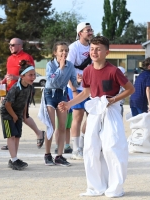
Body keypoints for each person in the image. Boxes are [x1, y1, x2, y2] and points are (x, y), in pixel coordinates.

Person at [58, 36, 135, 197]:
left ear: (107, 52)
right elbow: (85, 93)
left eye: (98, 49)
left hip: (111, 110)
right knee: (90, 148)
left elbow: (130, 89)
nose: (94, 52)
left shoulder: (114, 71)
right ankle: (96, 187)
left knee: (111, 147)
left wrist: (113, 100)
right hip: (94, 110)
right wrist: (69, 104)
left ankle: (116, 187)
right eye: (92, 49)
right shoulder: (87, 71)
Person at [0, 38, 44, 150]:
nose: (10, 47)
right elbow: (8, 73)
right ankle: (11, 140)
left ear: (20, 45)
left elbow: (31, 74)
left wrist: (16, 77)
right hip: (11, 90)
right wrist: (4, 80)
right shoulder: (10, 58)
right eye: (9, 45)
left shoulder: (26, 57)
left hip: (23, 90)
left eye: (13, 45)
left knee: (23, 116)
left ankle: (39, 133)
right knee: (9, 115)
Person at [43, 42, 82, 166]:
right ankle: (47, 154)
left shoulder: (70, 65)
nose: (64, 53)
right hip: (50, 94)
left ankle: (59, 156)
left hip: (62, 94)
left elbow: (73, 82)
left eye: (66, 50)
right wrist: (60, 67)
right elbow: (52, 81)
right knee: (51, 126)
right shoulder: (50, 64)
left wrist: (79, 81)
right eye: (61, 51)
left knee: (63, 126)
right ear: (55, 52)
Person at [0, 60, 36, 170]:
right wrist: (14, 116)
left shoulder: (30, 87)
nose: (33, 77)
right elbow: (7, 104)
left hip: (18, 113)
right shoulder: (15, 88)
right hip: (7, 113)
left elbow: (25, 102)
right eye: (30, 75)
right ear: (22, 76)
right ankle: (14, 159)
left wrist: (24, 115)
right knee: (11, 135)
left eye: (34, 75)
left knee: (17, 136)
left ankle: (13, 159)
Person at [67, 22, 93, 160]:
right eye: (87, 30)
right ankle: (75, 149)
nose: (90, 32)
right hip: (76, 86)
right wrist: (73, 88)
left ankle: (82, 145)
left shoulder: (92, 47)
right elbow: (68, 69)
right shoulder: (73, 48)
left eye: (91, 30)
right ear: (80, 33)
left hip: (89, 86)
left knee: (92, 116)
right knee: (78, 116)